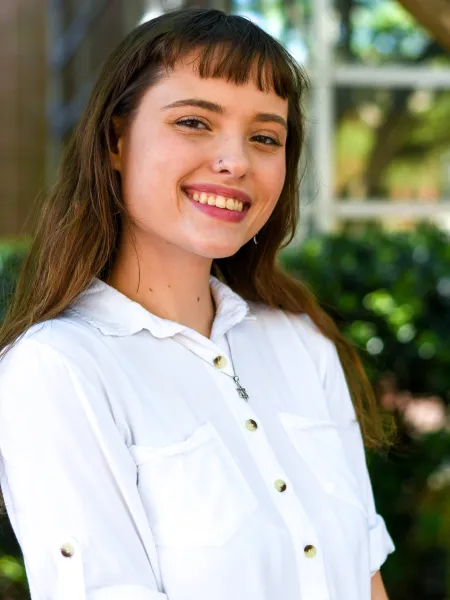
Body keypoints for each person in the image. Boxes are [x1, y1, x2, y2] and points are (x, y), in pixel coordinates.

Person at [0, 8, 396, 600]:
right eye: (194, 122)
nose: (236, 161)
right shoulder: (57, 370)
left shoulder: (302, 344)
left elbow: (367, 582)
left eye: (266, 138)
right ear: (115, 139)